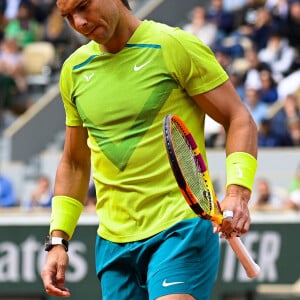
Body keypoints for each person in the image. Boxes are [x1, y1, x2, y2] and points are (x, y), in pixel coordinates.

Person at [40, 1, 258, 300]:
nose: (79, 23)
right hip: (113, 242)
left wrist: (238, 192)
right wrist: (58, 239)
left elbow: (238, 118)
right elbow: (75, 162)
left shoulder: (173, 46)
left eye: (84, 6)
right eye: (67, 17)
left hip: (179, 227)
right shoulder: (73, 70)